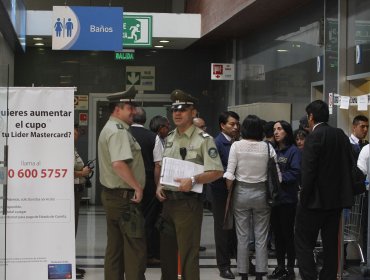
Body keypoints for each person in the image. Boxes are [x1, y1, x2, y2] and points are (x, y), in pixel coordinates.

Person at [156, 89, 223, 280]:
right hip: (168, 203)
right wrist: (160, 185)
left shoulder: (204, 140)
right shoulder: (169, 137)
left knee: (188, 254)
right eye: (174, 109)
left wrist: (194, 180)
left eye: (183, 109)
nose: (177, 113)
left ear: (193, 113)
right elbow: (165, 166)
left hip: (188, 204)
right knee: (167, 254)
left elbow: (217, 172)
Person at [295, 100, 354, 280]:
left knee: (304, 242)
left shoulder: (314, 136)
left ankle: (309, 275)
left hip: (313, 201)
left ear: (311, 117)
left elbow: (309, 171)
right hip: (335, 201)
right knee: (331, 244)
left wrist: (303, 196)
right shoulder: (340, 135)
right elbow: (350, 164)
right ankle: (328, 276)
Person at [97, 86, 146, 280]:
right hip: (124, 199)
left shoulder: (110, 128)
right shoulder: (118, 131)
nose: (133, 111)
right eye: (129, 107)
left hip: (113, 197)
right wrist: (137, 187)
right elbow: (118, 164)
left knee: (115, 249)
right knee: (135, 249)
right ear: (118, 109)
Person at [224, 114, 280, 280]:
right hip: (262, 194)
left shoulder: (236, 146)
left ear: (244, 128)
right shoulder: (268, 147)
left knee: (242, 236)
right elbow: (278, 176)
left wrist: (230, 191)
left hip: (241, 193)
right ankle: (260, 274)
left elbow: (229, 174)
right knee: (261, 236)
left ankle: (243, 273)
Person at [209, 111, 240, 279]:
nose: (235, 127)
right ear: (222, 125)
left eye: (237, 124)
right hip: (221, 193)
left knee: (238, 229)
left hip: (237, 192)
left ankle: (242, 261)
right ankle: (224, 265)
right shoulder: (217, 143)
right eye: (232, 124)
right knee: (222, 230)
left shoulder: (238, 142)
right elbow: (215, 171)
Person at [269, 121, 301, 280]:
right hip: (274, 200)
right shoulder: (273, 151)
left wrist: (279, 178)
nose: (276, 132)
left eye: (279, 129)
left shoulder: (293, 151)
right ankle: (280, 266)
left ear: (287, 132)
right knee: (277, 236)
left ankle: (290, 269)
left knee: (288, 235)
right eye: (274, 129)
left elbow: (295, 173)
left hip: (288, 200)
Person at [130, 107, 159, 265]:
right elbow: (158, 165)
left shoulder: (124, 134)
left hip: (127, 183)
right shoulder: (153, 137)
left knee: (129, 220)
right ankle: (147, 255)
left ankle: (131, 255)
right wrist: (156, 186)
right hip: (148, 183)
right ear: (145, 120)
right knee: (148, 220)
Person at [74, 124, 91, 279]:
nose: (78, 134)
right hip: (70, 192)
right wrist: (82, 172)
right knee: (70, 229)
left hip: (77, 191)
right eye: (75, 131)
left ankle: (71, 261)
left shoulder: (72, 148)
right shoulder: (64, 148)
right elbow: (63, 170)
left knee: (74, 228)